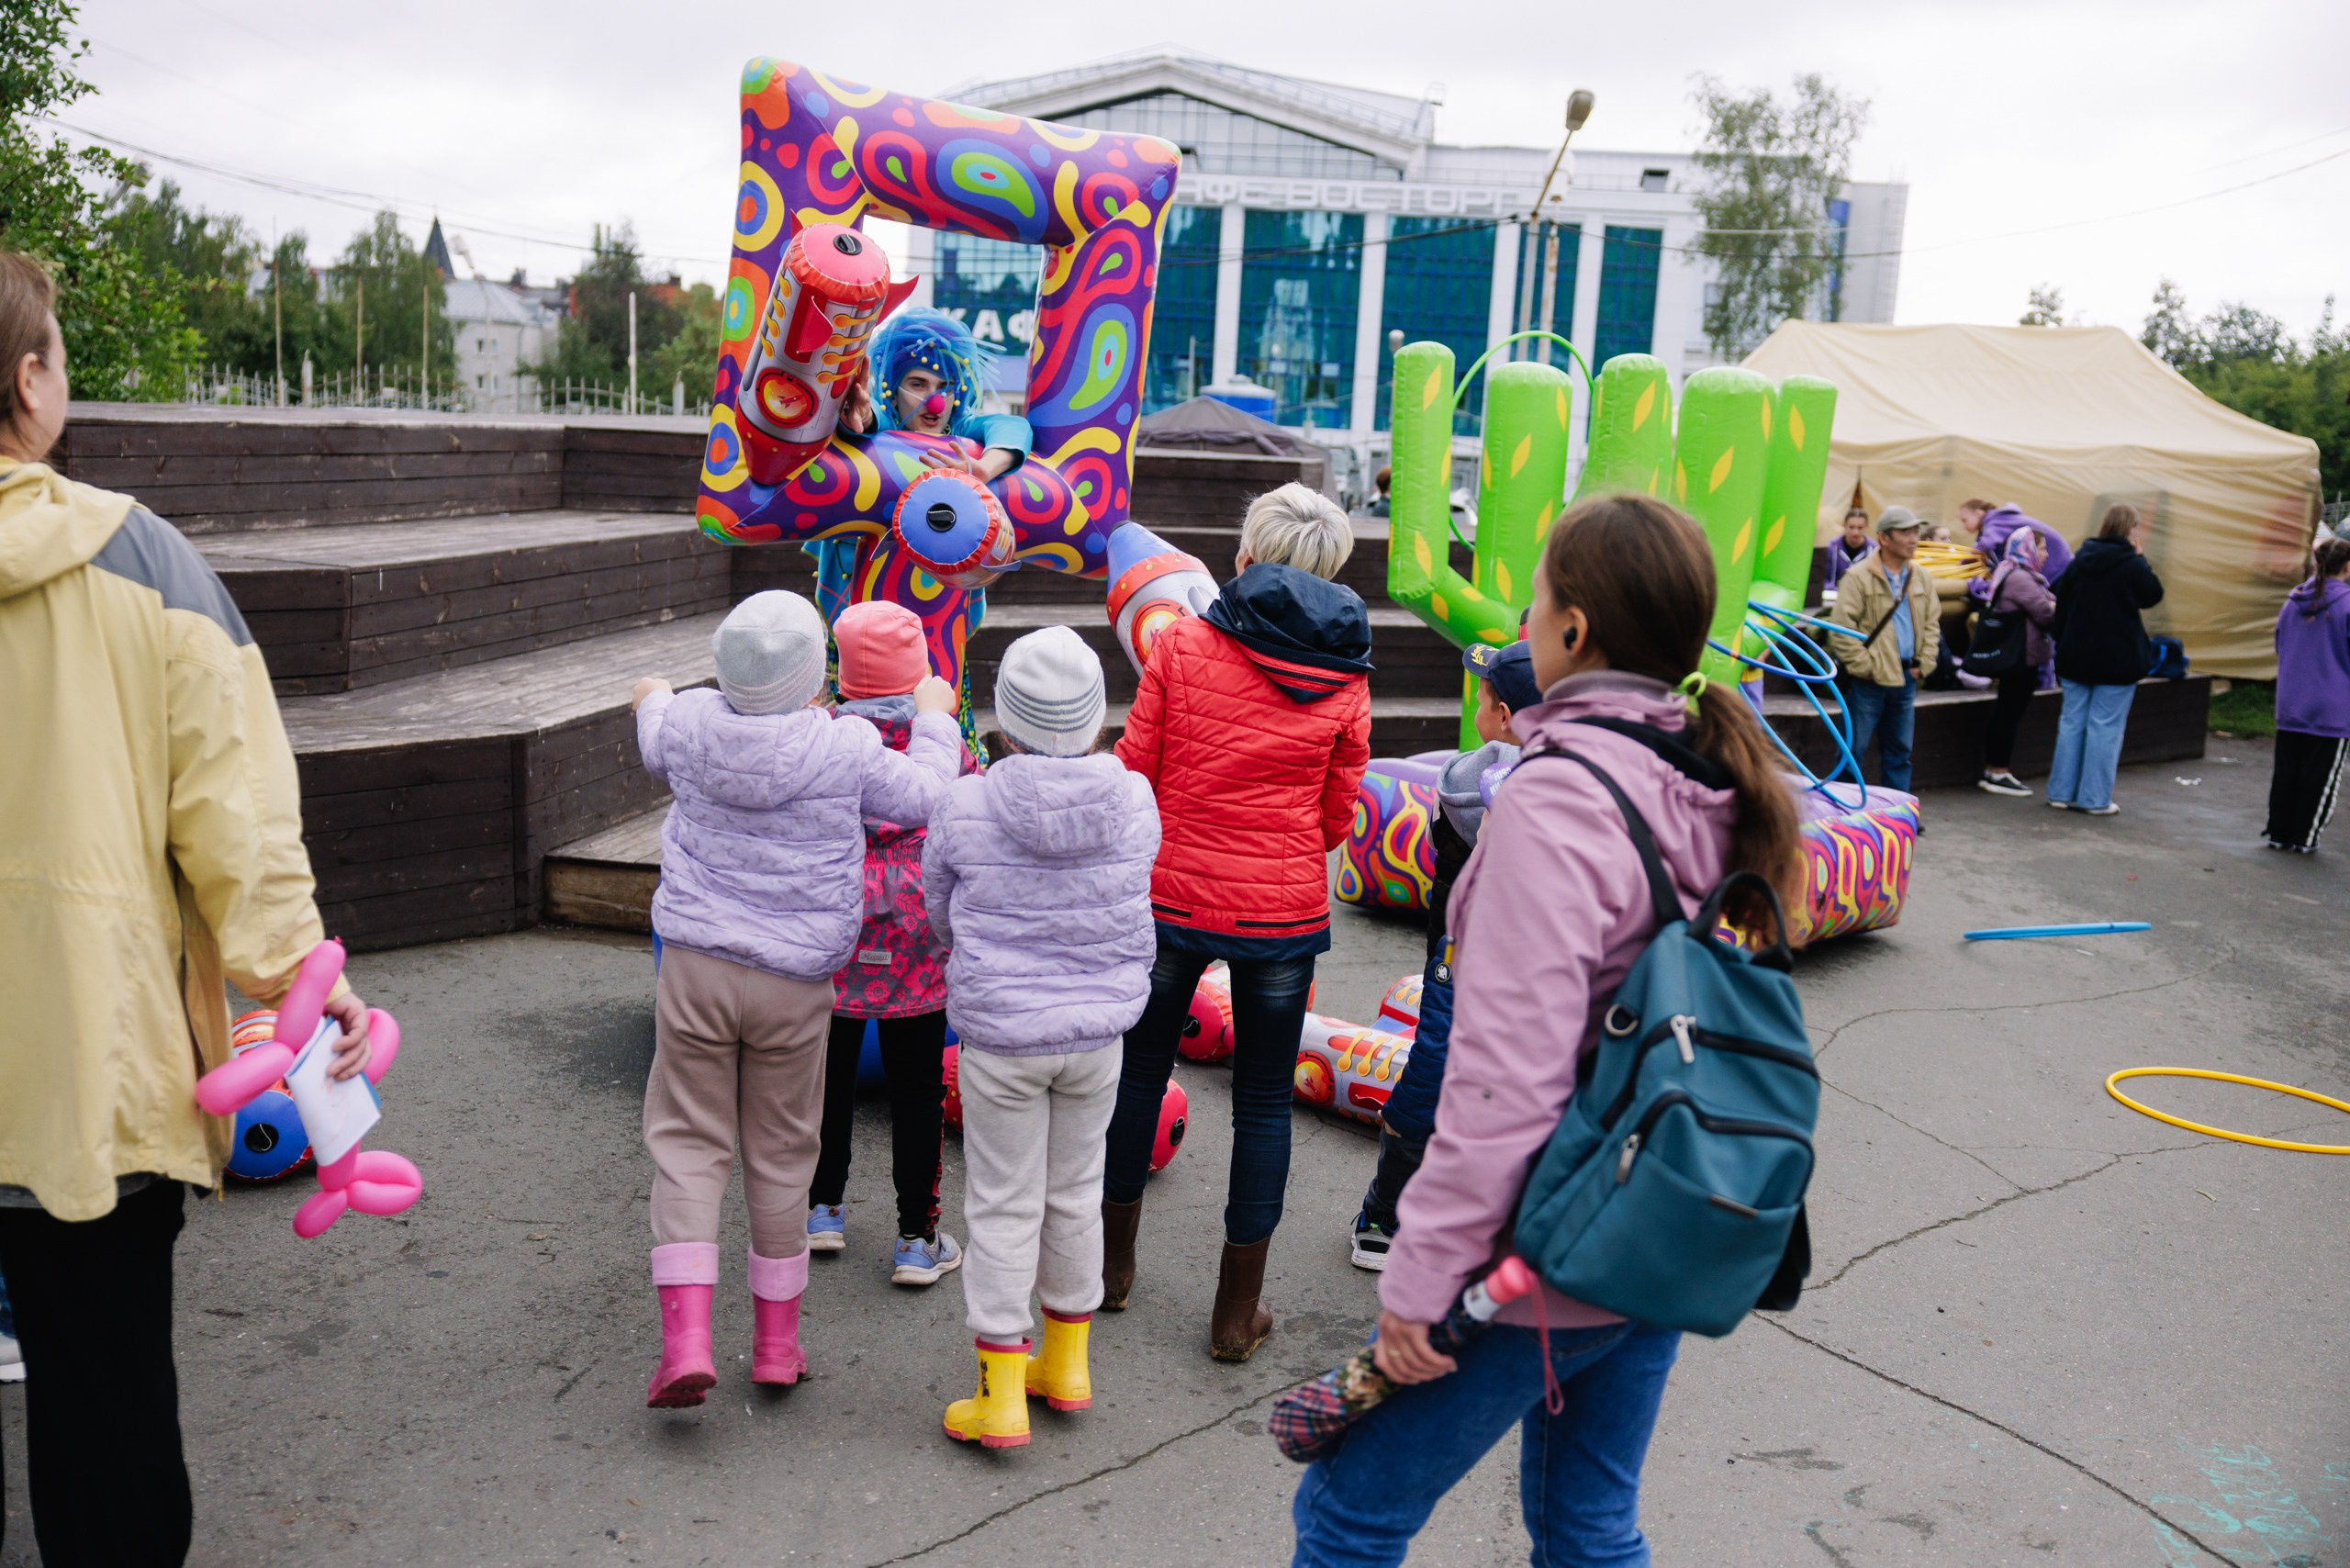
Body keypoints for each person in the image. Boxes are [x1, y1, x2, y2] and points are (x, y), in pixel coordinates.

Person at [1290, 492, 1803, 1565]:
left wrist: (1420, 1283)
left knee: (1349, 1514)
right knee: (1588, 1527)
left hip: (1541, 1252)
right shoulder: (1704, 775)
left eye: (1535, 599)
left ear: (1572, 628)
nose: (1524, 619)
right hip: (1662, 1215)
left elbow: (1504, 1084)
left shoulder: (1558, 799)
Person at [0, 251, 374, 1564]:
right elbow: (240, 821)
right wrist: (302, 982)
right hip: (87, 1074)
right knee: (105, 1419)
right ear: (31, 381)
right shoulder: (143, 559)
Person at [630, 591, 960, 1408]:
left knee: (689, 1145)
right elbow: (927, 794)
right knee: (782, 1152)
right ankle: (777, 1348)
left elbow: (652, 727)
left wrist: (649, 692)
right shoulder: (844, 745)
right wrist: (933, 716)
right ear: (818, 681)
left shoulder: (688, 723)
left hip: (696, 966)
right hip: (796, 979)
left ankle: (685, 1343)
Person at [1102, 481, 1372, 1361]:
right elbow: (1335, 817)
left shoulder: (1183, 643)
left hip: (1169, 896)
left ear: (1247, 558)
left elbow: (1135, 771)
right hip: (1282, 912)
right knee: (1263, 1103)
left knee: (1137, 1076)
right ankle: (1234, 1314)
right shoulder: (1349, 678)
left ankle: (1110, 1271)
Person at [922, 626, 1160, 1448]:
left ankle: (1000, 1393)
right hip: (1097, 1032)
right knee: (1075, 1192)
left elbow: (939, 909)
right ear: (1097, 718)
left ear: (1006, 720)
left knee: (1002, 1202)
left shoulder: (967, 802)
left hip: (1002, 1035)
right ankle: (1067, 1364)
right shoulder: (1134, 798)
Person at [1348, 639, 1538, 1271]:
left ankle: (1387, 1213)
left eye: (1482, 697)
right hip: (1526, 970)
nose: (1476, 706)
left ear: (1504, 716)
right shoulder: (1569, 784)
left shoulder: (1470, 783)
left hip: (1468, 955)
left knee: (1436, 1070)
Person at [805, 599, 978, 1287]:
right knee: (918, 1090)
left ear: (843, 675)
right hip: (918, 935)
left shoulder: (822, 737)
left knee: (825, 1078)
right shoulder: (943, 745)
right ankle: (916, 1238)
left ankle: (821, 1208)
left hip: (838, 926)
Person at [2047, 504, 2165, 816]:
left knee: (2072, 723)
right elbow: (2152, 595)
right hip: (2117, 658)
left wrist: (2061, 640)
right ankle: (2094, 799)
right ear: (2130, 529)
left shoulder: (2080, 560)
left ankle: (2060, 792)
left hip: (2075, 655)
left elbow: (2062, 603)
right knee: (2105, 727)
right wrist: (2141, 558)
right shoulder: (2131, 564)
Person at [1828, 504, 1941, 791]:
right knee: (1852, 751)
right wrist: (1866, 667)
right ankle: (1846, 810)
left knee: (1900, 752)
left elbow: (1932, 624)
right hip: (1869, 681)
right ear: (1884, 538)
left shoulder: (1921, 576)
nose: (1914, 539)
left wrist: (1924, 664)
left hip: (1907, 677)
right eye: (1905, 532)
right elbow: (1841, 629)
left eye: (1915, 532)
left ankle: (1898, 810)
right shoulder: (1858, 576)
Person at [2265, 536, 2350, 851]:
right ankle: (2305, 837)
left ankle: (2278, 832)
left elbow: (2280, 643)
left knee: (2287, 770)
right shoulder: (2347, 605)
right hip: (2333, 707)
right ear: (2348, 567)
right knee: (2321, 775)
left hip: (2291, 701)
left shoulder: (2293, 601)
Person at [1976, 529, 2060, 797]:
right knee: (2008, 713)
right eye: (2042, 548)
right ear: (2029, 549)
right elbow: (2046, 613)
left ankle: (1997, 769)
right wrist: (2054, 605)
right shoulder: (2021, 578)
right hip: (2019, 658)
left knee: (2008, 711)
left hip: (2021, 656)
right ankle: (1997, 771)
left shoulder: (2014, 572)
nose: (2046, 555)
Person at [1960, 498, 2073, 586]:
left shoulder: (1996, 521)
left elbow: (1985, 545)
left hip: (2056, 564)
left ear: (1978, 514)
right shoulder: (1999, 520)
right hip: (2061, 560)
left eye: (1965, 520)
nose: (1963, 526)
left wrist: (1962, 563)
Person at [1822, 505, 1873, 594]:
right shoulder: (1832, 548)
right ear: (1845, 525)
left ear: (1866, 527)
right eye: (1851, 527)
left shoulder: (1873, 550)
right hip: (1835, 596)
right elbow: (1822, 578)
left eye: (1860, 528)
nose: (1855, 532)